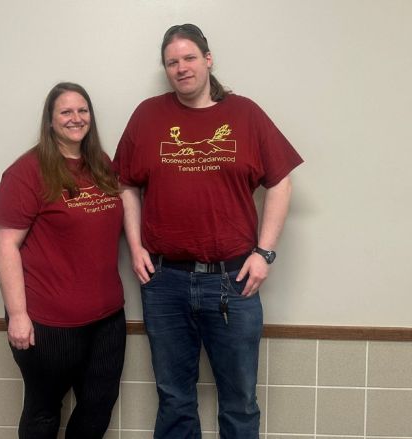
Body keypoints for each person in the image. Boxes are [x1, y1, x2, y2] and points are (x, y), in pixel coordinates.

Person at [113, 24, 303, 438]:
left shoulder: (245, 114)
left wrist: (265, 253)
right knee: (174, 398)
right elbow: (125, 183)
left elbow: (281, 181)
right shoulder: (148, 116)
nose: (181, 68)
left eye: (189, 58)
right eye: (172, 62)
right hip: (164, 281)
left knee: (239, 401)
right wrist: (136, 245)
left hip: (232, 281)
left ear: (208, 59)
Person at [0, 82, 125, 439]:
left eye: (82, 110)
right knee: (44, 411)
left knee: (98, 407)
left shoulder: (101, 164)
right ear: (50, 121)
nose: (76, 118)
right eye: (65, 112)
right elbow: (5, 245)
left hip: (107, 319)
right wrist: (17, 315)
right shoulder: (27, 171)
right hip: (48, 322)